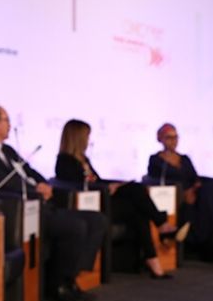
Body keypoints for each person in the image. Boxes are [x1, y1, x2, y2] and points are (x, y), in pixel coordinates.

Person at [0, 105, 108, 301]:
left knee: (97, 220)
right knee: (76, 226)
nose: (10, 125)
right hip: (18, 211)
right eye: (6, 120)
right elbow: (0, 182)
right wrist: (35, 191)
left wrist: (44, 184)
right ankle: (59, 286)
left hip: (40, 205)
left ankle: (72, 276)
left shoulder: (8, 150)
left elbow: (30, 171)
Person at [54, 119, 179, 279]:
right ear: (77, 138)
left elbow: (96, 180)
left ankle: (153, 258)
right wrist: (106, 187)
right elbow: (79, 185)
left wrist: (111, 185)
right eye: (86, 136)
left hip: (103, 197)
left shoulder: (84, 159)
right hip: (92, 205)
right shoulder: (64, 161)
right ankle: (161, 227)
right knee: (137, 199)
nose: (89, 140)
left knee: (137, 200)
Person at [147, 123, 213, 270]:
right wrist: (184, 193)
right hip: (177, 196)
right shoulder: (156, 160)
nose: (173, 141)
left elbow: (195, 178)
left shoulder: (185, 158)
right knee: (210, 195)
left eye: (176, 137)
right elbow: (157, 180)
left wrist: (195, 187)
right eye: (169, 137)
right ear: (160, 139)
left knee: (212, 187)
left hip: (196, 194)